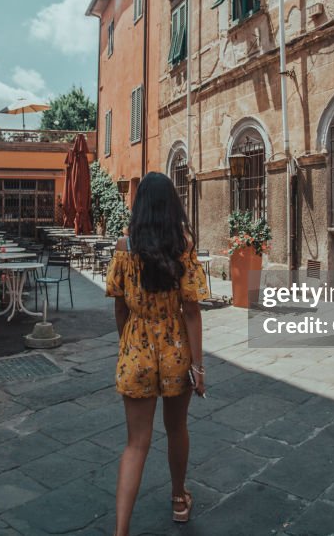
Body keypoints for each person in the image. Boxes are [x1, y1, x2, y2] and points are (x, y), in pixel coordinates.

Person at [105, 171, 208, 536]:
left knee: (136, 443)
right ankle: (179, 499)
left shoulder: (124, 248)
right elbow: (192, 310)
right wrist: (198, 365)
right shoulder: (183, 245)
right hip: (176, 347)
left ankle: (121, 531)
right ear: (172, 205)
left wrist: (126, 346)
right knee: (177, 427)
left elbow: (119, 308)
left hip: (136, 348)